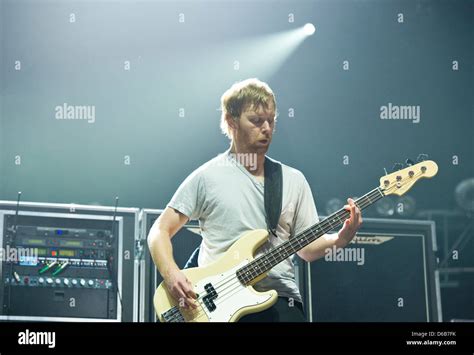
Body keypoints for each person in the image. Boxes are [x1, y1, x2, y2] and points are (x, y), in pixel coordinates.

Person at [147, 78, 362, 322]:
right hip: (219, 304)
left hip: (280, 297)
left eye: (271, 121)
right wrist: (172, 274)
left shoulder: (293, 180)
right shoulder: (207, 177)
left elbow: (307, 250)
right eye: (257, 121)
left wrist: (341, 238)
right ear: (231, 122)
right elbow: (159, 230)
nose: (267, 128)